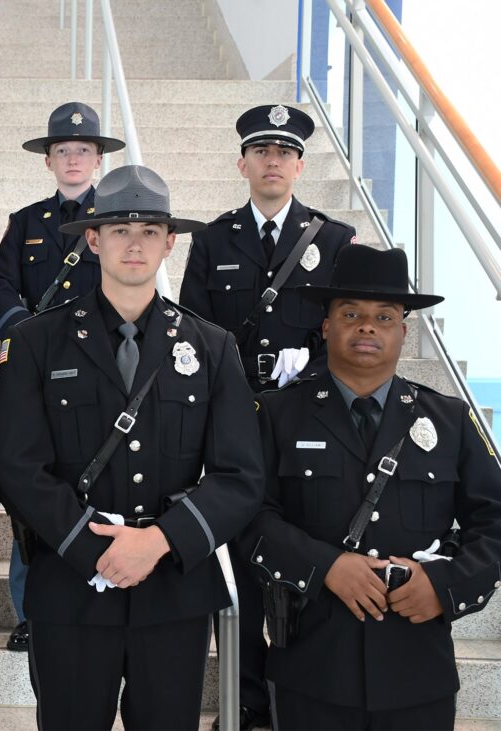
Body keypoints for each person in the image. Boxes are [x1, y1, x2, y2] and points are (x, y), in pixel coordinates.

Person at [0, 165, 265, 730]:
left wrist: (160, 541)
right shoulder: (36, 341)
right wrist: (94, 549)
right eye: (119, 228)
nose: (134, 242)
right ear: (93, 240)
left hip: (172, 589)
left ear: (170, 242)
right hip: (70, 587)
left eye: (149, 229)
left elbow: (241, 476)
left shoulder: (212, 347)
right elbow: (18, 467)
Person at [242, 245, 501, 730]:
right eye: (351, 314)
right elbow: (249, 514)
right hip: (312, 668)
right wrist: (326, 567)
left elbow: (495, 523)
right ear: (325, 327)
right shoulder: (275, 416)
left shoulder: (449, 419)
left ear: (404, 332)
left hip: (417, 668)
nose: (367, 326)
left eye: (385, 317)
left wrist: (444, 587)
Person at [180, 103, 357, 730]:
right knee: (244, 573)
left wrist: (309, 356)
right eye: (261, 151)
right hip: (235, 423)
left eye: (284, 152)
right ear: (243, 163)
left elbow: (352, 327)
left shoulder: (332, 240)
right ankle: (248, 702)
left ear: (301, 165)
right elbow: (193, 331)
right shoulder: (212, 237)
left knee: (303, 558)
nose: (273, 161)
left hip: (308, 427)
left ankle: (298, 698)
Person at [0, 100, 124, 653]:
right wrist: (26, 332)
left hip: (97, 375)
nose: (72, 159)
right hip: (39, 376)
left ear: (97, 159)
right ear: (48, 160)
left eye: (82, 150)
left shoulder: (113, 222)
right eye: (62, 150)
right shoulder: (26, 224)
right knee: (29, 489)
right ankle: (28, 609)